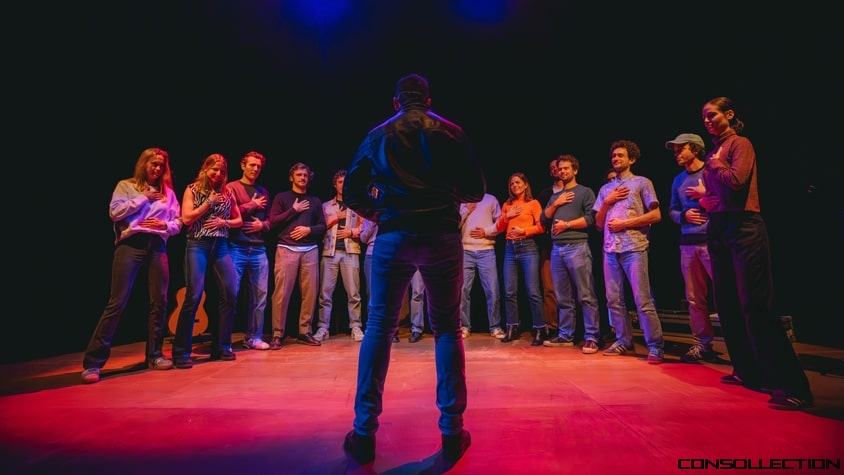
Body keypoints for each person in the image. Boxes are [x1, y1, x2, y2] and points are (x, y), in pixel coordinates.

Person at [342, 73, 484, 464]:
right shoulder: (451, 132)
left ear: (395, 102)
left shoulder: (378, 134)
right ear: (429, 99)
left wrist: (383, 211)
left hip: (393, 235)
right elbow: (475, 189)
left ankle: (364, 432)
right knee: (447, 329)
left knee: (379, 328)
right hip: (441, 234)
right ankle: (452, 433)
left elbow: (352, 192)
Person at [699, 97, 812, 409]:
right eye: (704, 117)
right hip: (720, 227)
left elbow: (737, 181)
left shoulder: (740, 143)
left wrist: (717, 166)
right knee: (728, 305)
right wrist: (707, 202)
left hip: (744, 226)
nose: (707, 121)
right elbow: (715, 194)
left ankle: (792, 386)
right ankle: (748, 371)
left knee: (756, 305)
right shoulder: (712, 152)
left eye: (712, 115)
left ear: (729, 115)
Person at [81, 148, 182, 383]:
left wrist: (164, 225)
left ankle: (155, 355)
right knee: (117, 302)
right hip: (132, 244)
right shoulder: (126, 186)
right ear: (143, 164)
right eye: (153, 164)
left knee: (160, 301)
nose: (157, 169)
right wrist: (143, 198)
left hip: (157, 245)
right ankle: (93, 363)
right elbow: (115, 213)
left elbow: (177, 220)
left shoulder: (168, 193)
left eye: (161, 165)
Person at [593, 140, 665, 364]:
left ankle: (655, 345)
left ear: (631, 159)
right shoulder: (606, 189)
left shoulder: (642, 183)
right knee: (613, 299)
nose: (616, 159)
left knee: (642, 299)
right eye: (614, 156)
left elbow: (655, 216)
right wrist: (607, 202)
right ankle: (624, 340)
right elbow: (597, 223)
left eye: (621, 156)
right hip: (610, 250)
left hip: (634, 247)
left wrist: (625, 224)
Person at [172, 153, 243, 369]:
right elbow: (186, 219)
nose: (218, 174)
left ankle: (222, 346)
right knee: (193, 295)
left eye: (222, 171)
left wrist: (225, 222)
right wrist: (208, 204)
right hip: (198, 244)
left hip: (220, 245)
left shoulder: (227, 192)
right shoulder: (192, 189)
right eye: (214, 169)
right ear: (205, 169)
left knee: (230, 292)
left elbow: (238, 219)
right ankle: (181, 352)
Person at [540, 155, 601, 354]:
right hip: (557, 249)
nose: (563, 171)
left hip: (578, 246)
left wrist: (567, 225)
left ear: (575, 170)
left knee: (585, 294)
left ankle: (591, 336)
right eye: (560, 169)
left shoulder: (585, 192)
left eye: (567, 168)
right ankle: (566, 335)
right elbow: (543, 218)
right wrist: (556, 203)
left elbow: (591, 219)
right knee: (563, 297)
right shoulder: (555, 196)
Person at [665, 133, 715, 362]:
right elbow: (672, 211)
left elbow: (726, 199)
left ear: (695, 149)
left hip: (713, 242)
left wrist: (706, 197)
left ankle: (741, 344)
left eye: (681, 149)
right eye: (675, 151)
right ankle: (702, 344)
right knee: (694, 298)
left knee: (726, 294)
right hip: (688, 244)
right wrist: (683, 215)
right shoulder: (678, 180)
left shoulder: (711, 172)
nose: (677, 154)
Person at [268, 162, 326, 349]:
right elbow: (273, 222)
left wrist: (308, 229)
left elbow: (322, 226)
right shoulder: (282, 197)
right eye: (299, 175)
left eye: (305, 175)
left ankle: (305, 331)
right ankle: (277, 334)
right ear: (291, 177)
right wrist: (294, 210)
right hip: (286, 249)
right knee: (281, 294)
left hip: (309, 250)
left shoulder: (315, 201)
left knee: (309, 294)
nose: (302, 178)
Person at [223, 151, 272, 351]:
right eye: (251, 165)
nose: (255, 169)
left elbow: (270, 219)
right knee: (231, 294)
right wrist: (252, 204)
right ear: (243, 165)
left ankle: (254, 337)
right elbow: (227, 212)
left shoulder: (263, 191)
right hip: (237, 247)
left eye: (258, 166)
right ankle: (224, 341)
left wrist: (264, 226)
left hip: (259, 248)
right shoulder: (231, 187)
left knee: (260, 295)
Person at [496, 172, 548, 345]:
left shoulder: (533, 204)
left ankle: (540, 328)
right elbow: (499, 227)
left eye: (518, 183)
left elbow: (541, 227)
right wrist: (507, 216)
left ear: (526, 185)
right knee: (510, 291)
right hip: (510, 249)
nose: (515, 186)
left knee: (533, 290)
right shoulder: (507, 204)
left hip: (528, 247)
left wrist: (523, 231)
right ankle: (512, 327)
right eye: (512, 184)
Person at [315, 169, 364, 342]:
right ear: (335, 185)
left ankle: (356, 326)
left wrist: (351, 232)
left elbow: (365, 228)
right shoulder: (326, 206)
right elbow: (320, 228)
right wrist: (336, 217)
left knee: (354, 293)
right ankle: (323, 327)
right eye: (340, 182)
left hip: (350, 251)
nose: (343, 185)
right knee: (325, 293)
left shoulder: (357, 205)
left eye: (346, 182)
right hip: (330, 252)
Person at [458, 193, 504, 339]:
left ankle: (495, 326)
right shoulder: (462, 200)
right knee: (463, 291)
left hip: (486, 250)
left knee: (492, 290)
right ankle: (464, 326)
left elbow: (501, 223)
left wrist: (487, 231)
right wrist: (466, 211)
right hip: (466, 250)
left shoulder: (491, 199)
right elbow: (454, 224)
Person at [361, 217, 399, 343]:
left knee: (391, 294)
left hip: (390, 254)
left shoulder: (392, 212)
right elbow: (363, 238)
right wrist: (372, 223)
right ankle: (374, 329)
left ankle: (392, 330)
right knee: (372, 294)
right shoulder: (369, 216)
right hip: (371, 254)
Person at [535, 159, 562, 333]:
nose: (555, 170)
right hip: (549, 246)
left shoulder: (577, 192)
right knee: (549, 289)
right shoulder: (545, 195)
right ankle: (552, 326)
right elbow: (540, 220)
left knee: (572, 290)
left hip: (572, 244)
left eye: (557, 167)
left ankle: (573, 327)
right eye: (551, 168)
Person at [406, 270, 426, 343]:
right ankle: (393, 330)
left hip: (419, 260)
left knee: (417, 293)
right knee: (395, 293)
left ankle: (416, 329)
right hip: (402, 259)